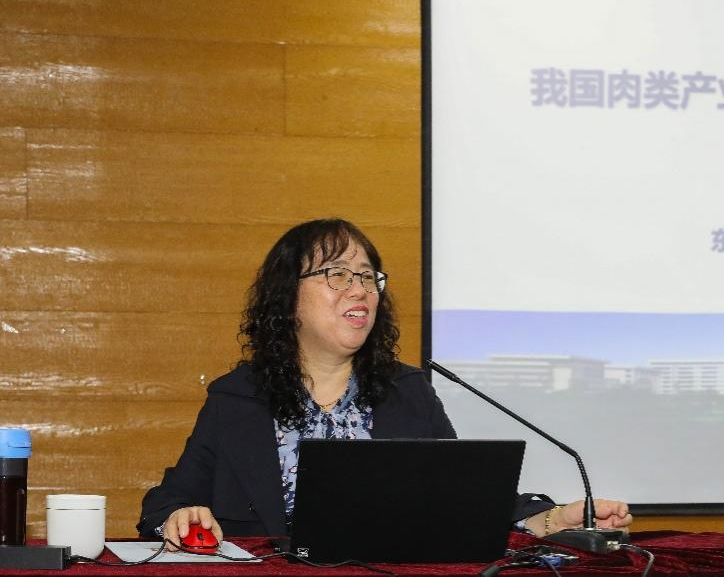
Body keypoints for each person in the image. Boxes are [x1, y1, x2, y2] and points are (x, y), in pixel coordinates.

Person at [137, 218, 632, 549]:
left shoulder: (407, 391)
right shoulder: (238, 397)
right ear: (287, 298)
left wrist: (553, 520)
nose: (359, 289)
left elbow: (464, 498)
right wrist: (181, 516)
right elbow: (165, 504)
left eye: (367, 276)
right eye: (337, 274)